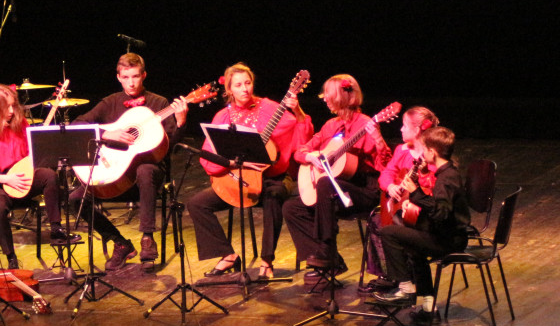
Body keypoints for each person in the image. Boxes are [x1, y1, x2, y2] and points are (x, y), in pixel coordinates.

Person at [187, 63, 313, 279]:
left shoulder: (270, 107)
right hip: (238, 178)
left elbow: (302, 133)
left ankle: (266, 261)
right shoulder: (222, 117)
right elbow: (207, 155)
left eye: (248, 83)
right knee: (196, 204)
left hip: (272, 178)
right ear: (229, 90)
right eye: (238, 85)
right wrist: (234, 165)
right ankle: (227, 255)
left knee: (273, 197)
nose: (245, 88)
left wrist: (297, 109)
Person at [71, 53, 188, 271]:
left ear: (144, 75)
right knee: (75, 198)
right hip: (114, 175)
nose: (131, 82)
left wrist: (180, 124)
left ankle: (147, 237)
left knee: (145, 169)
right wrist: (107, 133)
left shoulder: (159, 103)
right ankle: (120, 243)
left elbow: (169, 147)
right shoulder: (110, 102)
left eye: (135, 76)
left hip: (147, 179)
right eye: (126, 77)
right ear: (119, 77)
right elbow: (79, 124)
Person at [282, 74, 392, 275]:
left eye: (328, 94)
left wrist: (377, 139)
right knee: (292, 207)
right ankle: (328, 260)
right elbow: (300, 151)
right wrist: (310, 158)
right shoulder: (331, 125)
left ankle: (326, 248)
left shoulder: (365, 124)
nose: (323, 98)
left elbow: (384, 165)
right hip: (333, 190)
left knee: (325, 184)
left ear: (342, 96)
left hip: (362, 190)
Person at [0, 84, 78, 269]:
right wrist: (6, 179)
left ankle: (56, 229)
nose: (12, 111)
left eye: (13, 106)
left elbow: (33, 155)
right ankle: (11, 257)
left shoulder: (21, 125)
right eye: (7, 107)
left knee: (49, 176)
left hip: (22, 177)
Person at [375, 126, 470, 325]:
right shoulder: (449, 172)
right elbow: (439, 209)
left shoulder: (445, 180)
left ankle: (406, 287)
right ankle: (428, 308)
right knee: (411, 239)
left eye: (424, 149)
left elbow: (441, 215)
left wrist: (417, 194)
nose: (422, 153)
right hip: (449, 235)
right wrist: (417, 202)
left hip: (449, 241)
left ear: (432, 152)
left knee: (388, 232)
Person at [362, 106, 440, 292]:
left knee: (399, 226)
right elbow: (386, 175)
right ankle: (393, 275)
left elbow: (435, 187)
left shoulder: (433, 155)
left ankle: (406, 280)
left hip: (424, 212)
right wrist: (391, 186)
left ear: (418, 129)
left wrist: (414, 193)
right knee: (377, 221)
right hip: (402, 207)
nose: (401, 129)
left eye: (404, 126)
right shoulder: (402, 150)